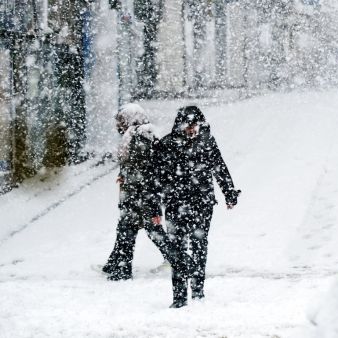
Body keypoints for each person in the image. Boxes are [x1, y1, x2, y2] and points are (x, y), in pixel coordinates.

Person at [155, 105, 240, 308]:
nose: (192, 129)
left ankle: (198, 290)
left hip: (202, 203)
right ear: (180, 125)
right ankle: (179, 296)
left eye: (195, 125)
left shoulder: (207, 142)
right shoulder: (167, 144)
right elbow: (155, 179)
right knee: (176, 248)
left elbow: (219, 166)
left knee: (199, 244)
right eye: (188, 125)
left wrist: (229, 193)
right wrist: (154, 207)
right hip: (175, 205)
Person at [100, 103, 177, 281]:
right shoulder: (134, 136)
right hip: (135, 197)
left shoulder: (139, 138)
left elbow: (147, 172)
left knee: (144, 231)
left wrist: (152, 204)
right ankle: (117, 266)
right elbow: (135, 167)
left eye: (120, 120)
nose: (118, 125)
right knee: (127, 231)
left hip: (141, 198)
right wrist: (124, 175)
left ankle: (176, 261)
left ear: (130, 119)